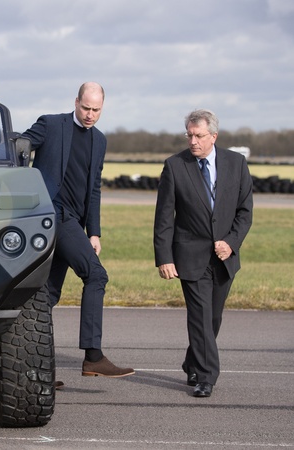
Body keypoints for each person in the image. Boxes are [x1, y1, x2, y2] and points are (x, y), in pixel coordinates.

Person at [21, 82, 134, 379]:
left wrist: (94, 232)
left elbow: (94, 188)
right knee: (96, 275)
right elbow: (19, 144)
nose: (90, 114)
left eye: (96, 110)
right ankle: (93, 356)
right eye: (86, 108)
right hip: (52, 215)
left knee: (48, 295)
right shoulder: (51, 125)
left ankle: (34, 371)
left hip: (74, 221)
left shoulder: (100, 140)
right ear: (76, 102)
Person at [154, 109, 253, 398]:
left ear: (214, 136)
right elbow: (164, 217)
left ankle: (192, 362)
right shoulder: (175, 166)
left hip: (224, 258)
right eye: (189, 135)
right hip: (189, 255)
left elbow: (245, 212)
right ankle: (207, 377)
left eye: (198, 136)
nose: (193, 141)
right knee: (199, 316)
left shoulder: (236, 163)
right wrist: (164, 257)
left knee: (213, 319)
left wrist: (231, 242)